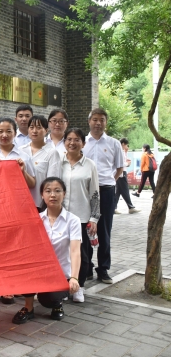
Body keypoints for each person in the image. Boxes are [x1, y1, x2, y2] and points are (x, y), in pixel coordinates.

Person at [0, 117, 35, 305]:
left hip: (15, 208)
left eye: (8, 131)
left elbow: (32, 184)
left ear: (15, 133)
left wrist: (22, 170)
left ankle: (10, 287)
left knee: (12, 248)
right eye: (0, 131)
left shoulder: (24, 156)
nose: (4, 135)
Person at [12, 177, 81, 324]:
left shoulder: (73, 220)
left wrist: (74, 277)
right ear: (42, 195)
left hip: (60, 274)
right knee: (21, 273)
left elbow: (75, 251)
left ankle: (57, 303)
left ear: (64, 194)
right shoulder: (36, 219)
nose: (53, 195)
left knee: (48, 299)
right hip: (40, 270)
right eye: (48, 191)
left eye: (57, 191)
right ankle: (28, 308)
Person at [83, 108, 124, 284]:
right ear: (89, 121)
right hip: (85, 191)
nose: (98, 123)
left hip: (106, 191)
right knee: (85, 228)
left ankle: (103, 269)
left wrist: (109, 182)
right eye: (95, 119)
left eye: (102, 120)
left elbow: (120, 168)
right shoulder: (82, 142)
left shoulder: (114, 143)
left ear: (106, 122)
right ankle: (87, 267)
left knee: (104, 230)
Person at [60, 128, 101, 302]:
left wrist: (94, 218)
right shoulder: (58, 162)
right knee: (61, 253)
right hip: (60, 216)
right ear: (64, 142)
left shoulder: (90, 165)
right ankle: (63, 286)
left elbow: (95, 193)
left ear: (83, 143)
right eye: (69, 139)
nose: (72, 143)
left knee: (82, 254)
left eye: (77, 139)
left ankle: (79, 286)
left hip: (81, 217)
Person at [20, 115, 60, 211]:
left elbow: (52, 181)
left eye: (39, 128)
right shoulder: (20, 150)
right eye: (31, 127)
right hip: (21, 202)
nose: (34, 131)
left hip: (40, 204)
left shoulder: (52, 152)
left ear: (46, 130)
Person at [115, 138, 140, 213]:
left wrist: (126, 152)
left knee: (118, 191)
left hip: (121, 172)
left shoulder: (121, 151)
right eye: (126, 145)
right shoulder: (119, 151)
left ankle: (114, 207)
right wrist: (127, 164)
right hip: (122, 172)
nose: (127, 146)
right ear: (123, 144)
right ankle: (130, 207)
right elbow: (120, 163)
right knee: (125, 189)